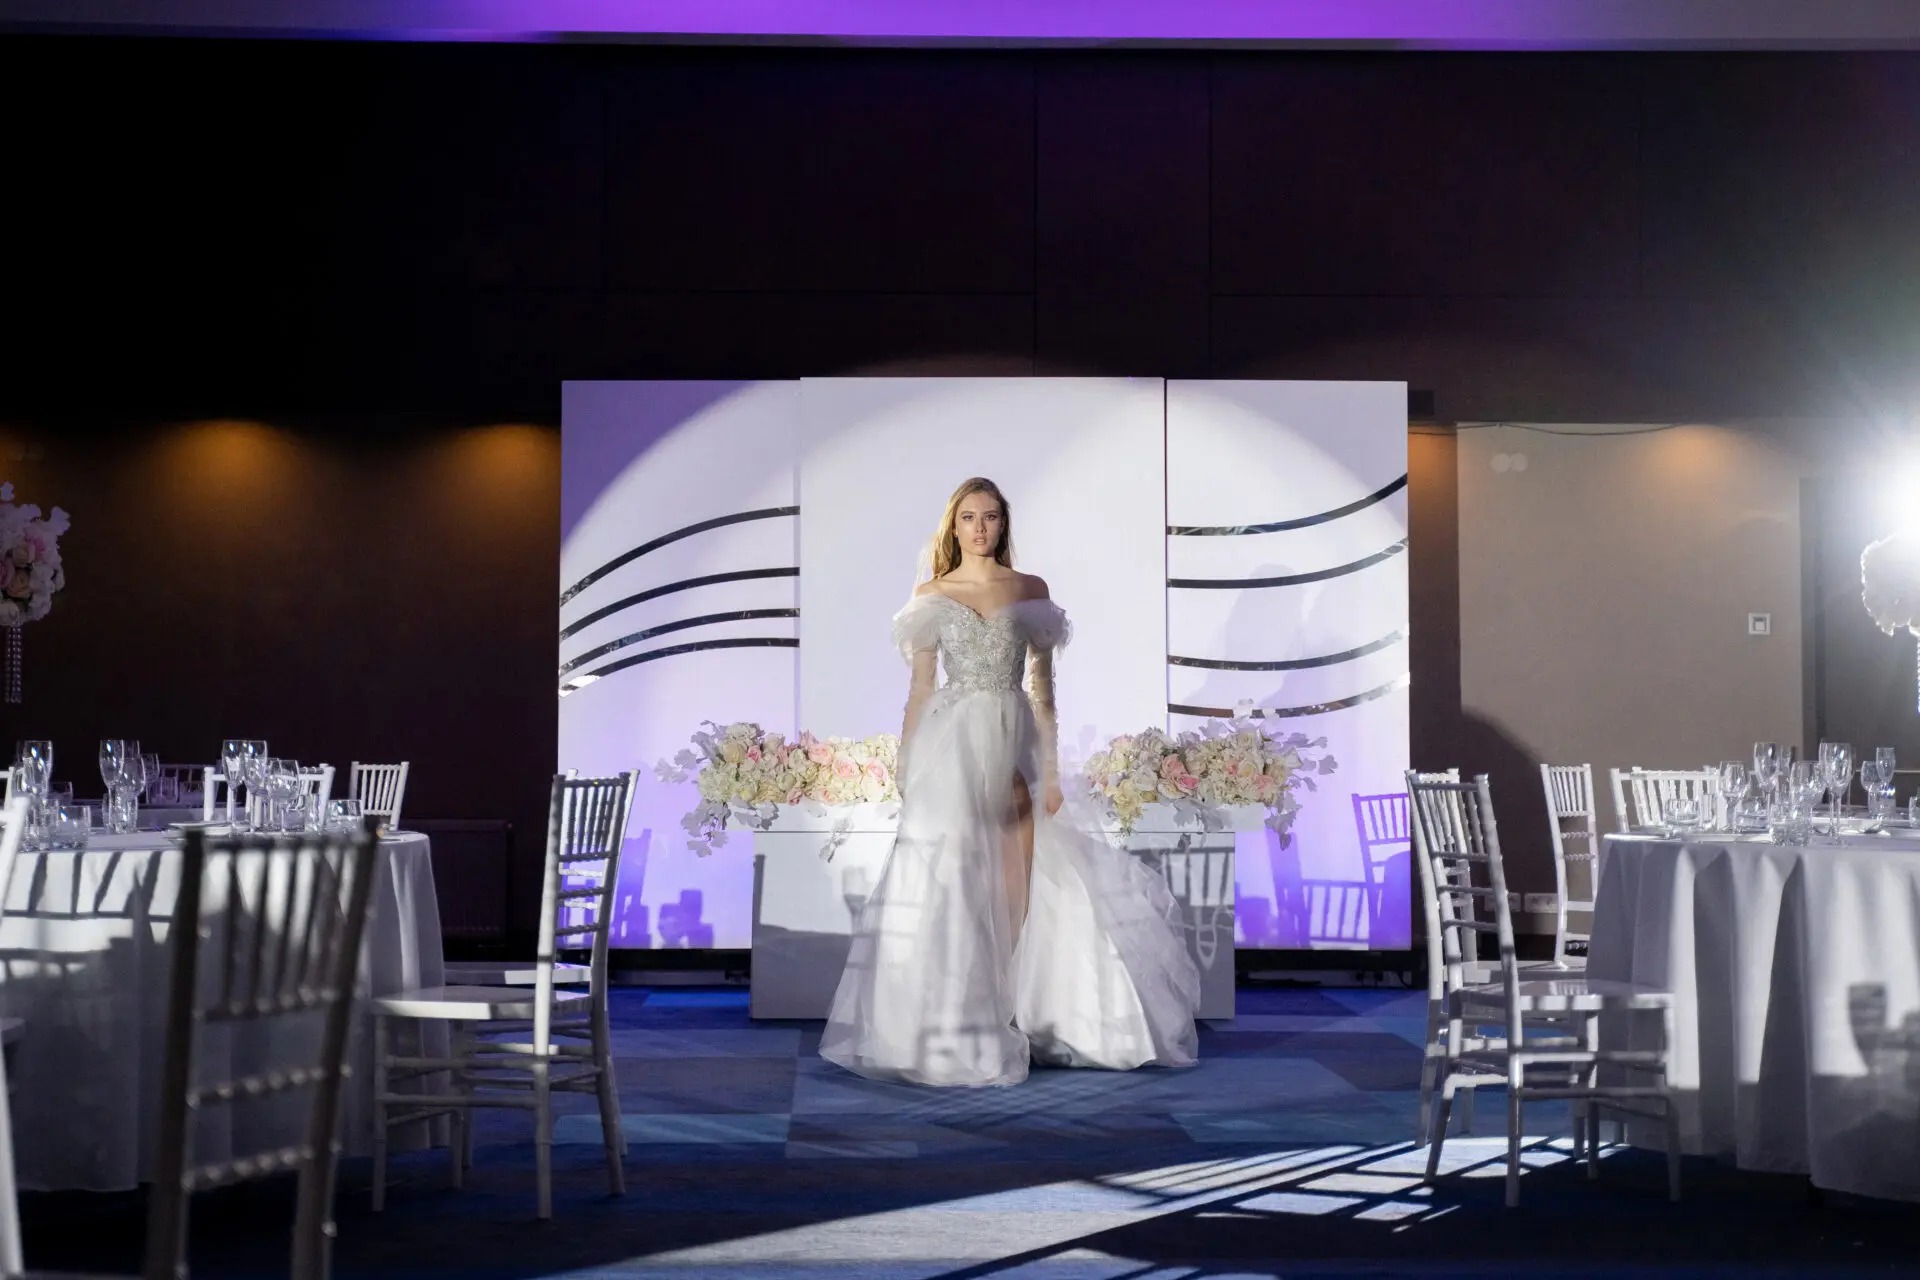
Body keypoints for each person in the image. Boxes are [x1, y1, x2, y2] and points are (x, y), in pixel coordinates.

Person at [820, 477, 1200, 1087]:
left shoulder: (1030, 590)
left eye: (990, 517)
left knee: (1021, 882)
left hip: (1012, 740)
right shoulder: (932, 594)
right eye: (968, 517)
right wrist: (906, 762)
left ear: (1003, 523)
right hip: (950, 745)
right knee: (951, 876)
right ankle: (954, 1020)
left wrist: (1050, 773)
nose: (979, 528)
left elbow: (1043, 694)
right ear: (953, 526)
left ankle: (1017, 1004)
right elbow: (919, 689)